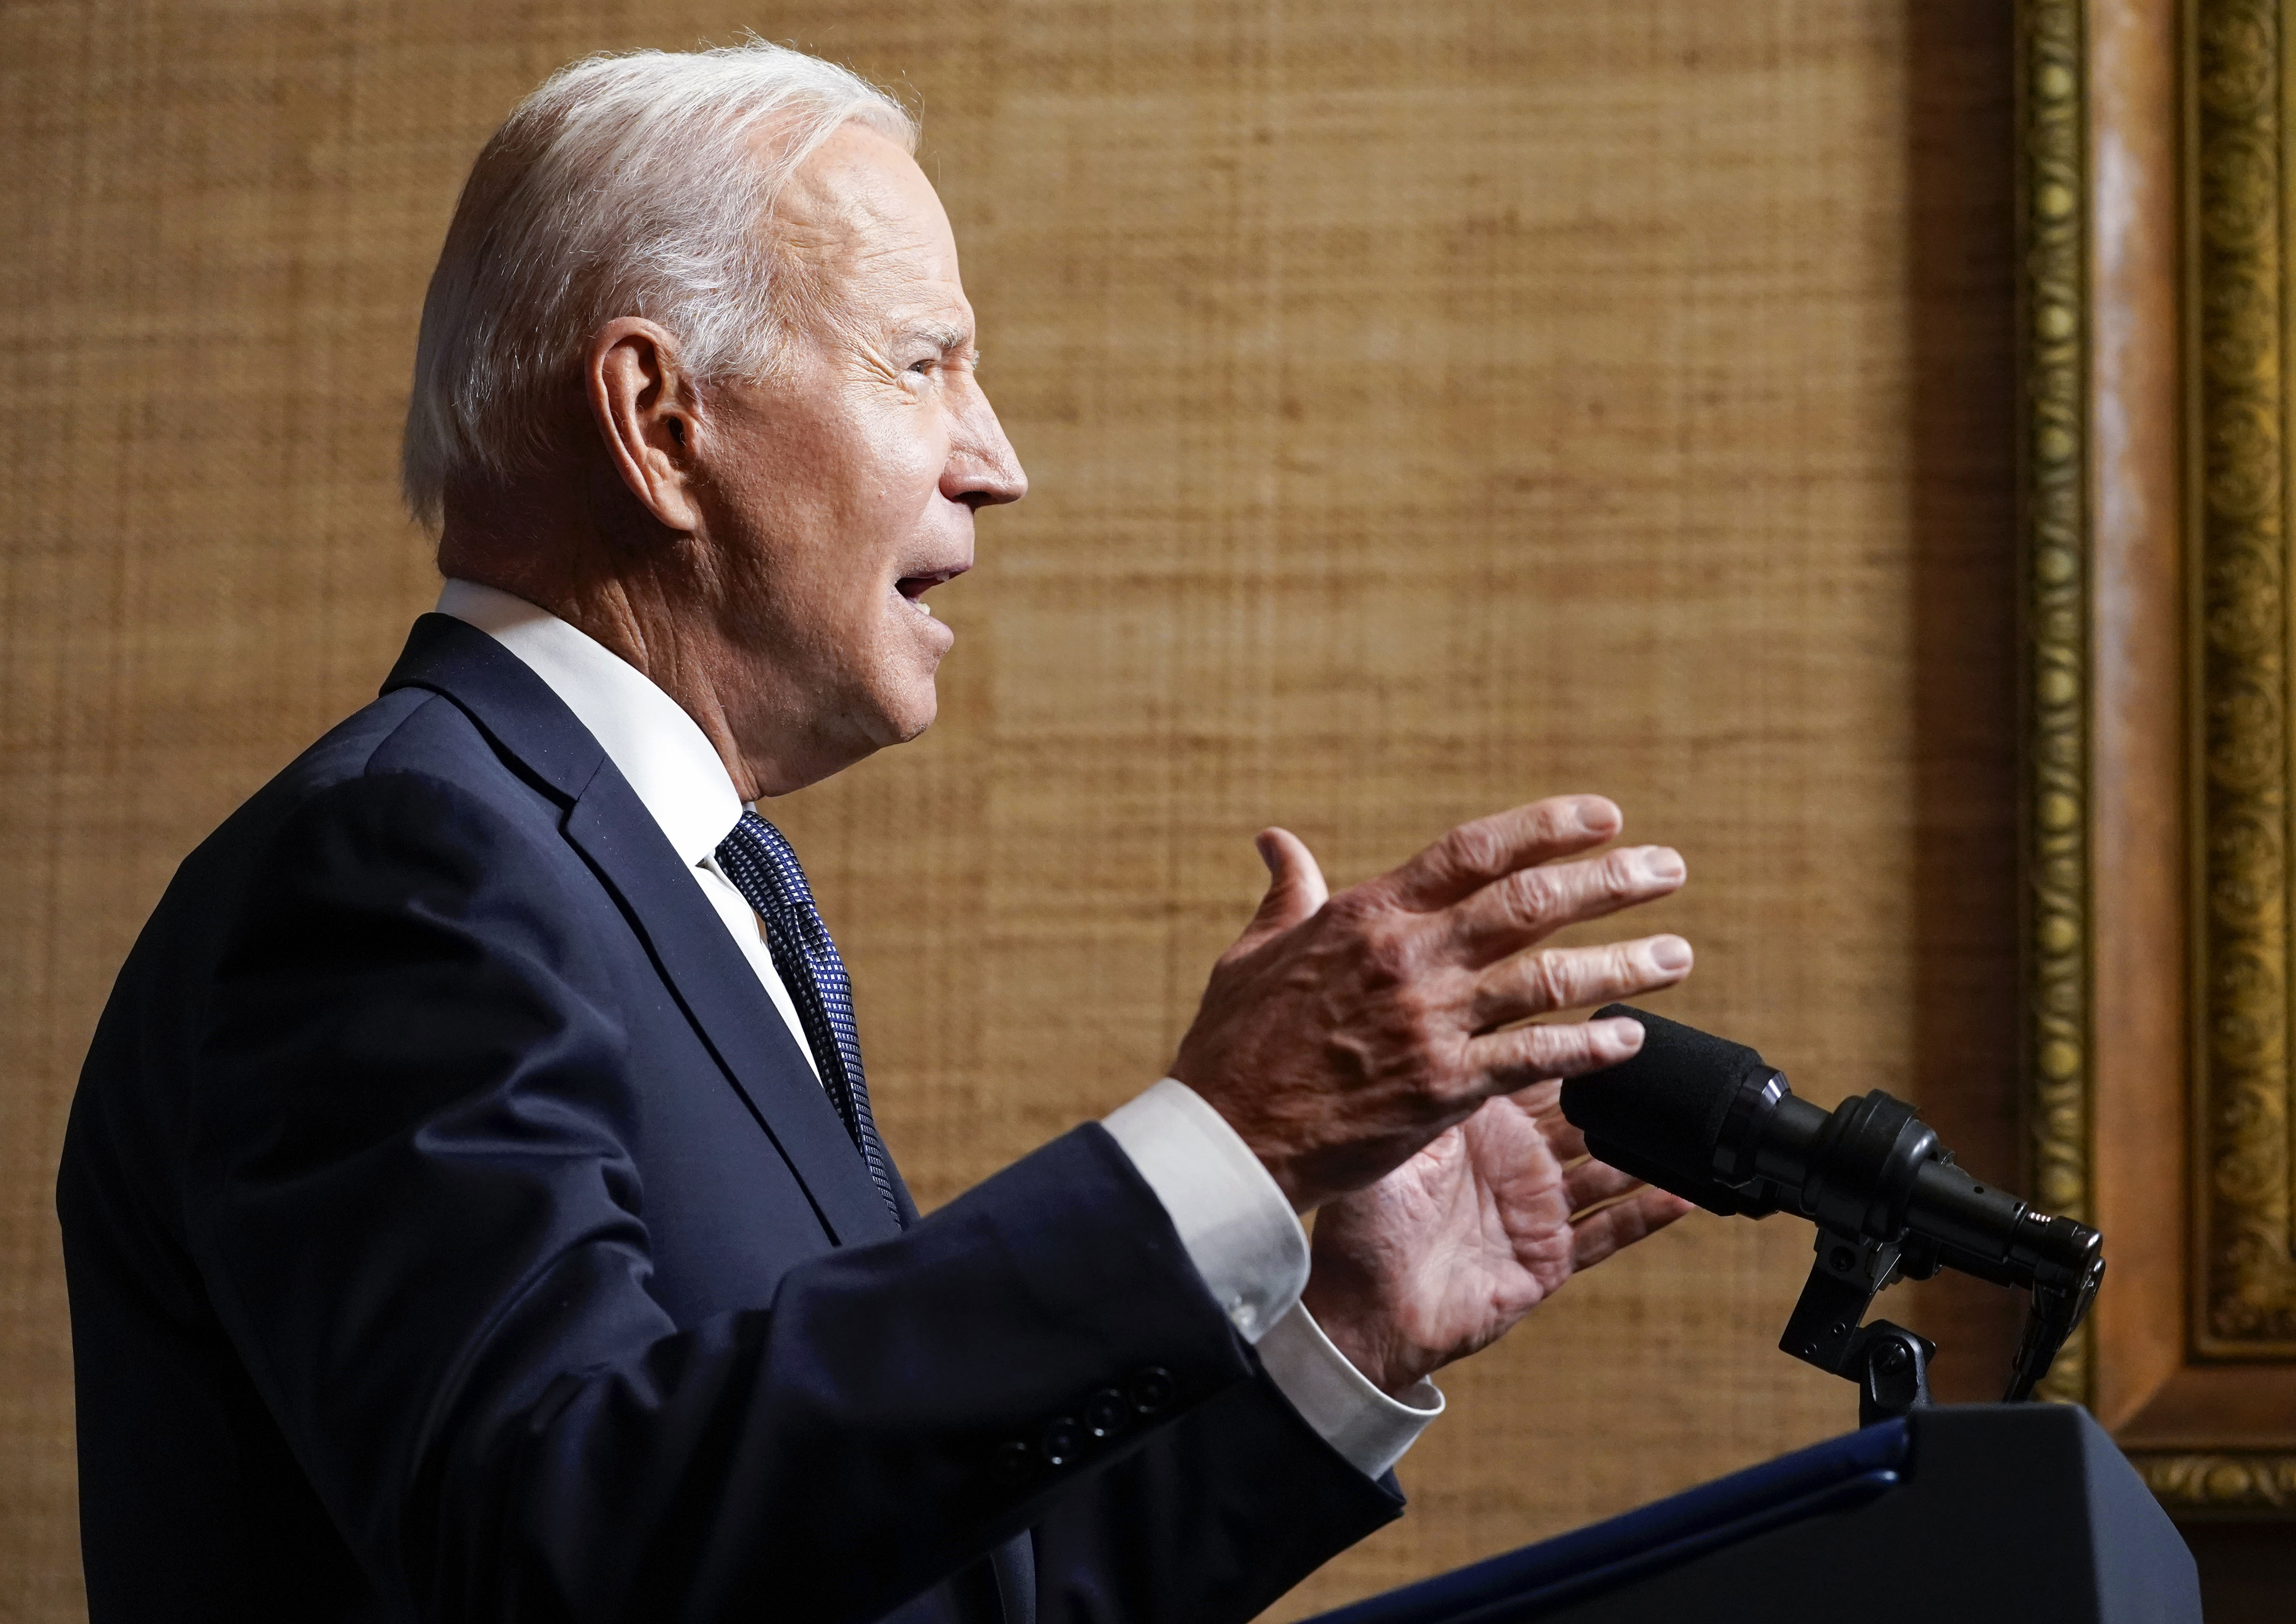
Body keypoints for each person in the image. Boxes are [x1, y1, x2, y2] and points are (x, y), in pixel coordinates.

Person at [56, 43, 1697, 1624]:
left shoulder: (675, 884)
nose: (1000, 464)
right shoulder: (405, 866)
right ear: (661, 420)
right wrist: (1233, 1138)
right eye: (927, 362)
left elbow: (892, 1579)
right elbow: (557, 1544)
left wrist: (1342, 1332)